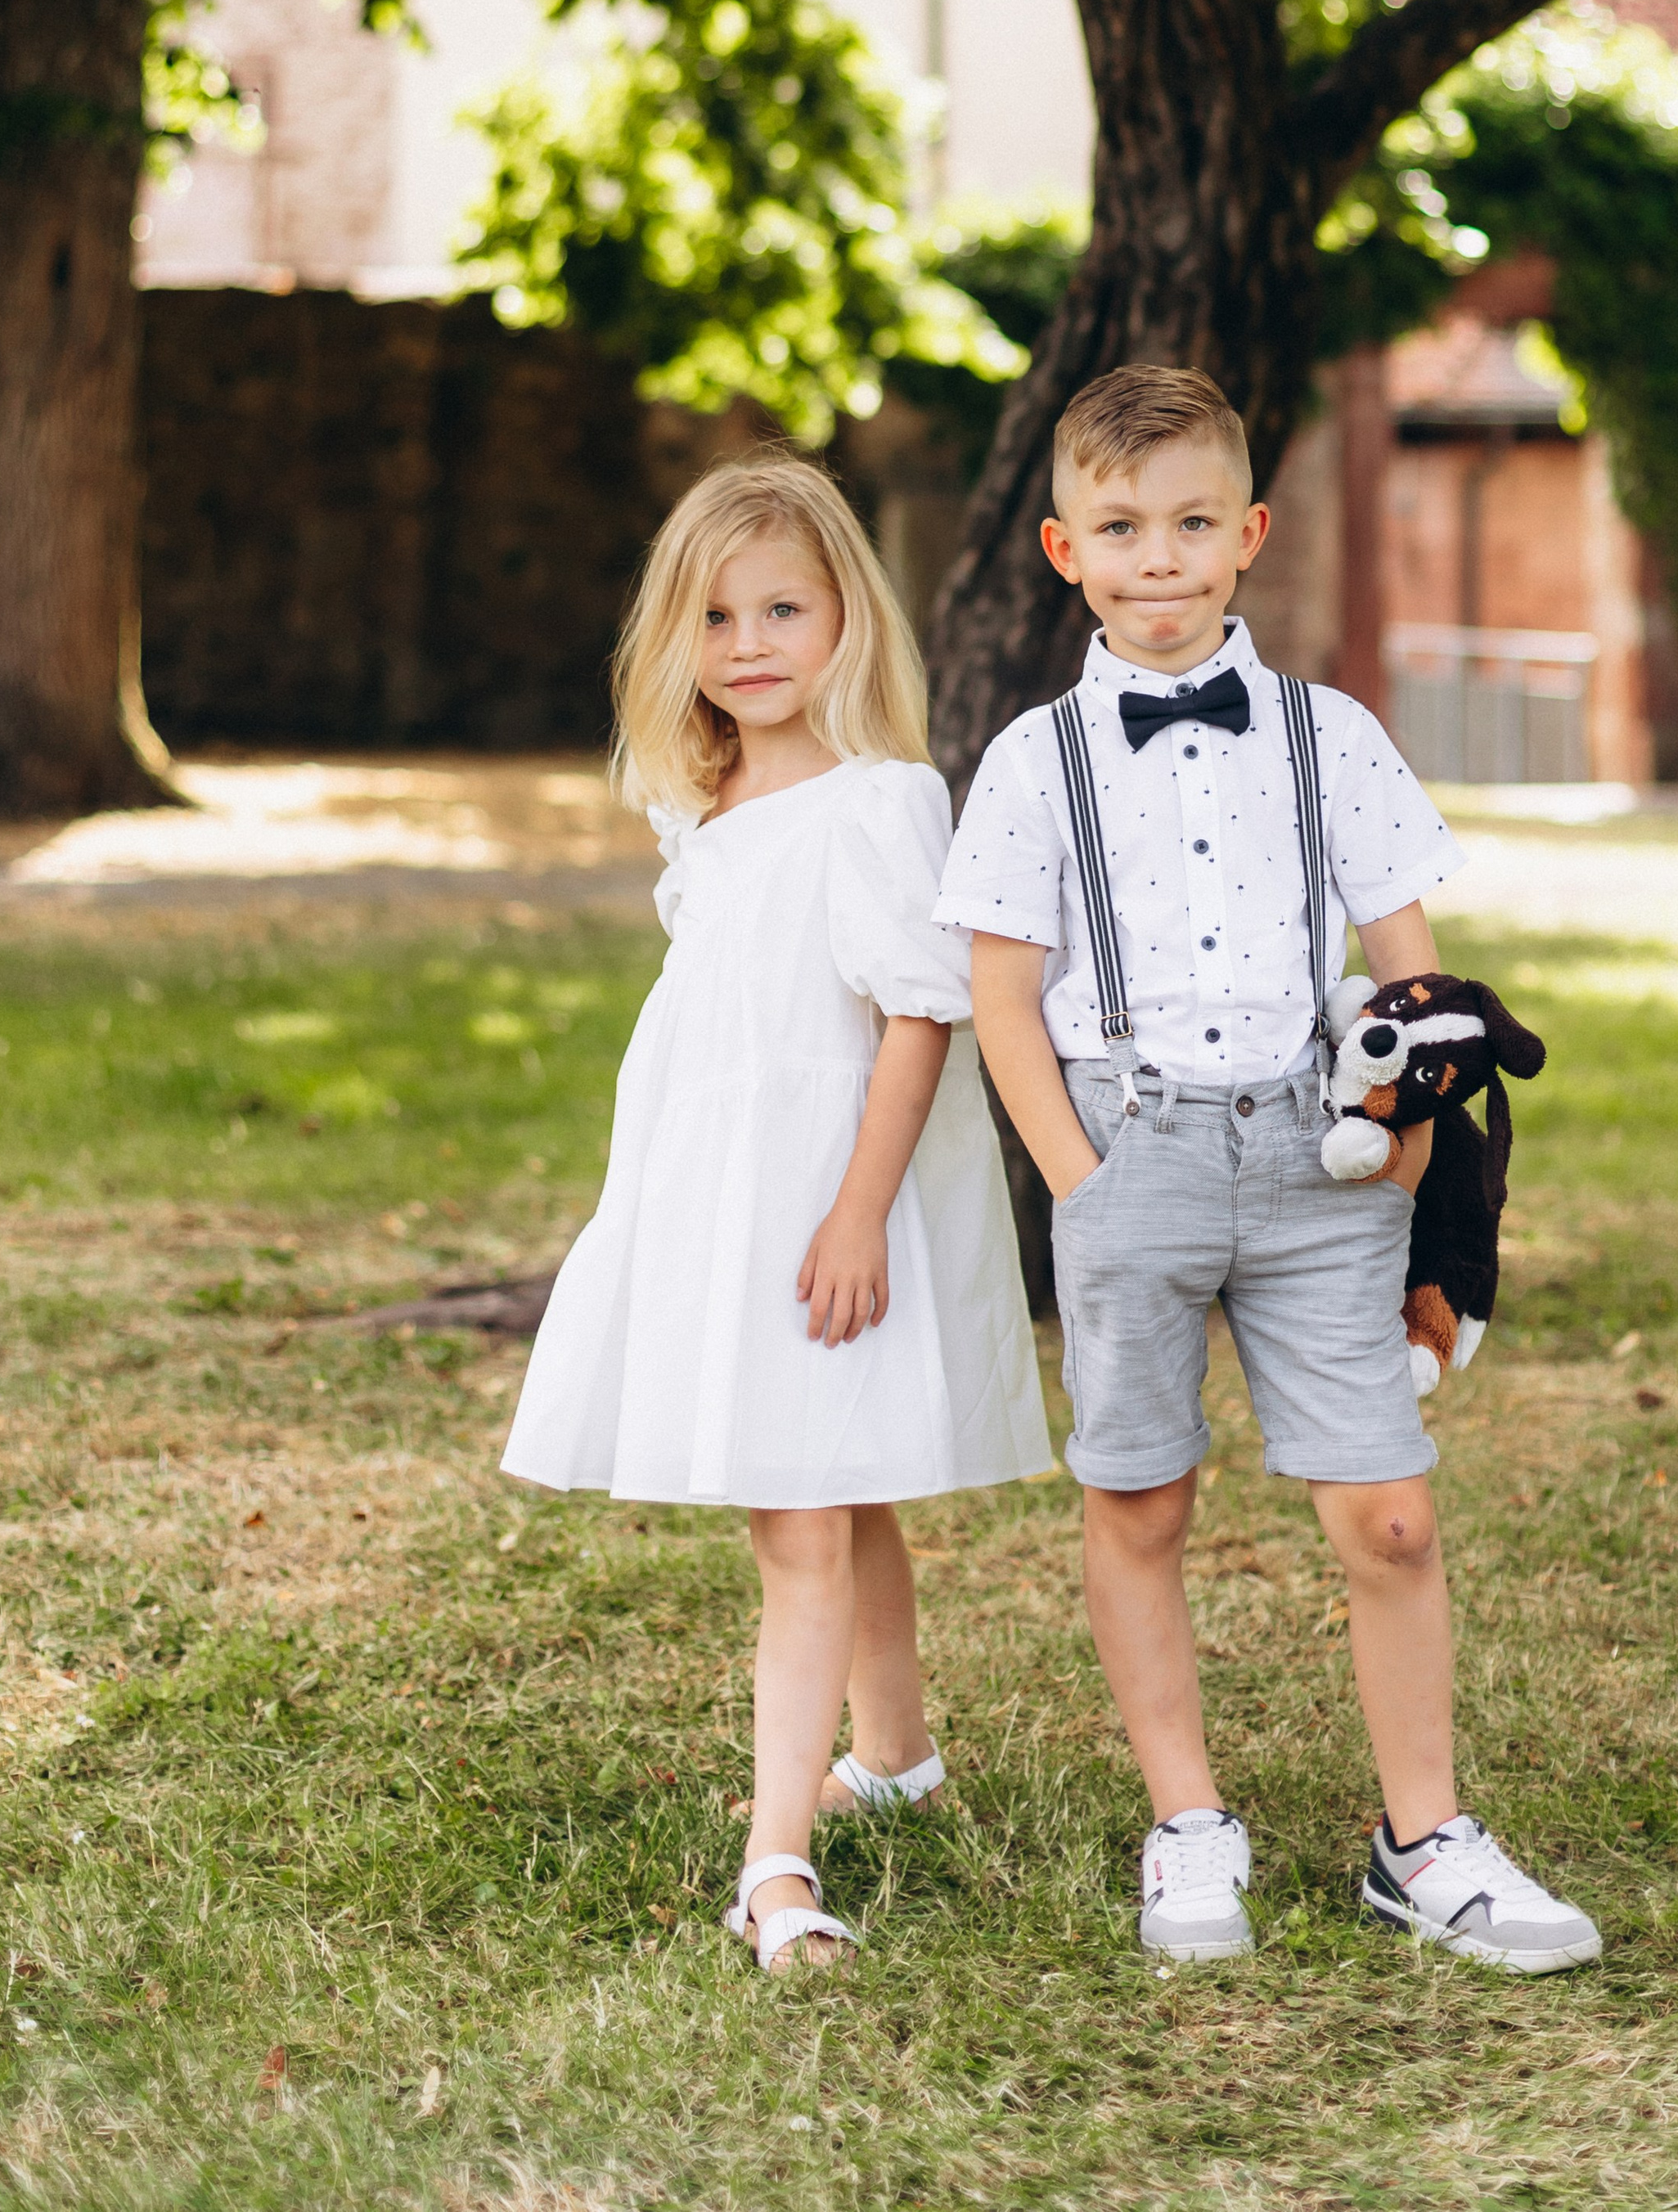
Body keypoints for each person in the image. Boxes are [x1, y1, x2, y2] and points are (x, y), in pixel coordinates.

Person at [937, 365, 1599, 1976]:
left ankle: (1422, 1839)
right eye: (1116, 528)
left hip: (1320, 1162)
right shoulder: (1034, 762)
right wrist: (1078, 1182)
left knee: (1383, 1515)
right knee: (1141, 1495)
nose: (1153, 559)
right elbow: (999, 997)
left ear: (1244, 534)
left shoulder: (1334, 739)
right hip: (1129, 1153)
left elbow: (1410, 985)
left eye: (1184, 525)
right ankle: (1185, 1822)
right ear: (1060, 547)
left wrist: (1408, 1147)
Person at [502, 452, 1050, 1976]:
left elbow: (916, 1023)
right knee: (833, 1482)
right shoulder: (710, 804)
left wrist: (860, 1211)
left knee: (800, 1518)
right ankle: (898, 1754)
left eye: (783, 609)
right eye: (717, 615)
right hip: (721, 1201)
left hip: (824, 1199)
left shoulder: (880, 803)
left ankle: (777, 1864)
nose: (749, 643)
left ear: (845, 622)